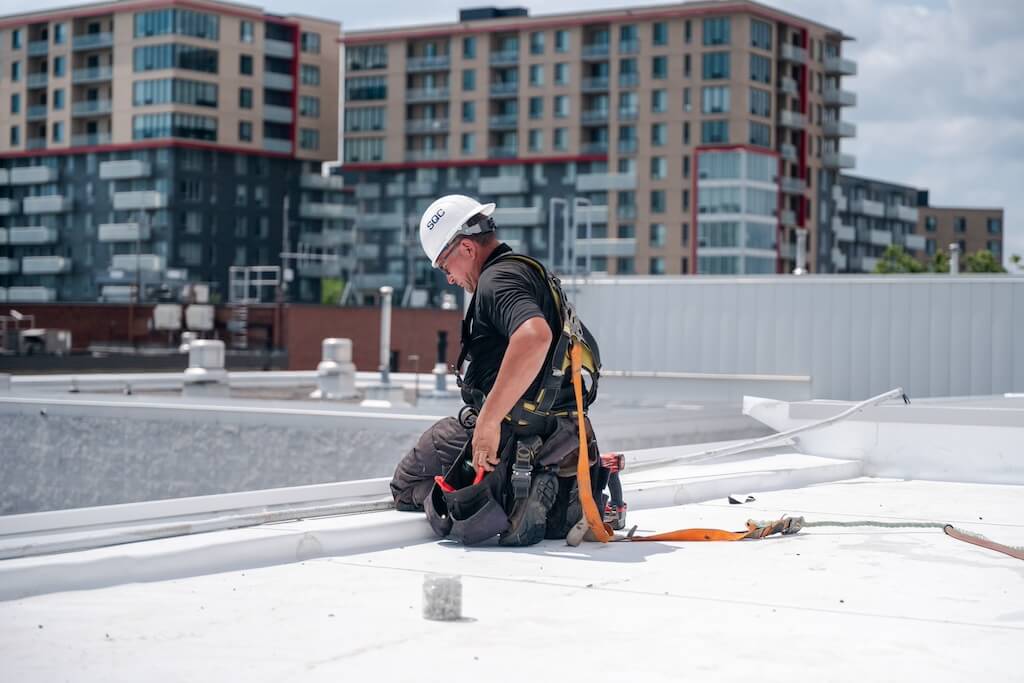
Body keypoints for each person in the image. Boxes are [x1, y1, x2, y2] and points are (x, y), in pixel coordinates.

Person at [390, 194, 603, 546]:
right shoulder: (531, 272)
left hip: (515, 432)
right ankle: (544, 492)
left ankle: (503, 493)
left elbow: (534, 337)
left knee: (407, 481)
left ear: (467, 249)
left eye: (445, 266)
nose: (449, 279)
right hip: (562, 430)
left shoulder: (497, 281)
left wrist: (488, 421)